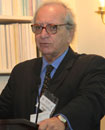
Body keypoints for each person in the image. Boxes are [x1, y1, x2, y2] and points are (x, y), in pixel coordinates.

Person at [0, 1, 105, 130]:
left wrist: (62, 120)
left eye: (52, 27)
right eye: (38, 27)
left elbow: (92, 101)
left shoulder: (91, 65)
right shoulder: (21, 71)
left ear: (70, 33)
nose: (43, 35)